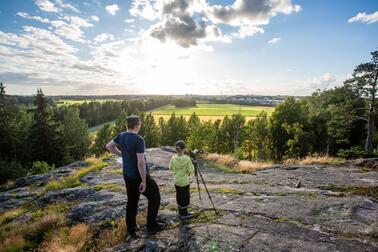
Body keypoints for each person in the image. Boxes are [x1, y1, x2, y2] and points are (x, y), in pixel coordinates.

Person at [106, 115, 164, 237]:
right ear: (137, 125)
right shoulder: (138, 140)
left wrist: (121, 154)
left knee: (132, 201)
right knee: (155, 197)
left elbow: (109, 146)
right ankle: (151, 224)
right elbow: (141, 162)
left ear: (127, 125)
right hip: (138, 176)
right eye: (140, 125)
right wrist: (144, 181)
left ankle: (131, 228)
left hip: (127, 175)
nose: (140, 127)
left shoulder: (121, 135)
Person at [169, 140, 195, 219]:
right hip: (184, 182)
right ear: (184, 149)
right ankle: (184, 213)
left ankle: (180, 211)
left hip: (177, 181)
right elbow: (191, 170)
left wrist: (177, 170)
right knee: (185, 197)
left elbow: (171, 168)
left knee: (179, 196)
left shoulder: (173, 158)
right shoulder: (187, 159)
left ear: (176, 149)